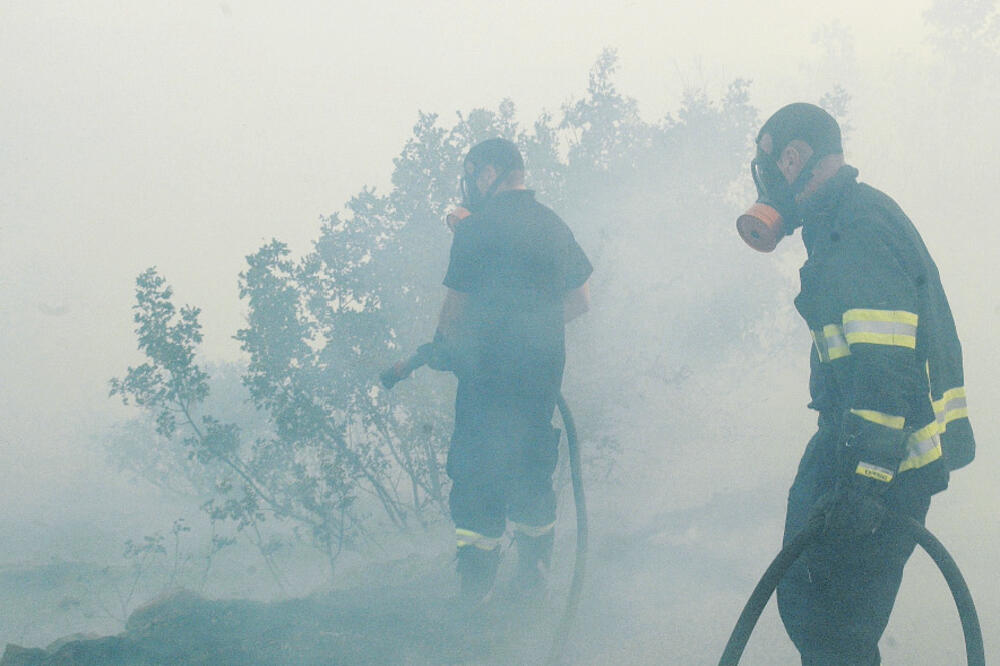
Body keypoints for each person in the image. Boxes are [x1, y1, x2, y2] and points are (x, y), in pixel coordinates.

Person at [736, 103, 975, 664]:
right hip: (855, 447)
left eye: (765, 169)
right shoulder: (845, 221)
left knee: (834, 629)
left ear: (792, 159)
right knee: (809, 602)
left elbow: (883, 376)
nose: (764, 184)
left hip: (885, 466)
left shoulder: (856, 236)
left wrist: (866, 485)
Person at [432, 138, 592, 605]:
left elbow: (453, 313)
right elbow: (581, 301)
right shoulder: (552, 225)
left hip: (486, 379)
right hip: (540, 377)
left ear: (488, 174)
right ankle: (534, 579)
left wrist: (445, 347)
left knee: (477, 471)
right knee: (531, 468)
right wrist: (535, 329)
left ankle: (474, 592)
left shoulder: (474, 232)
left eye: (473, 173)